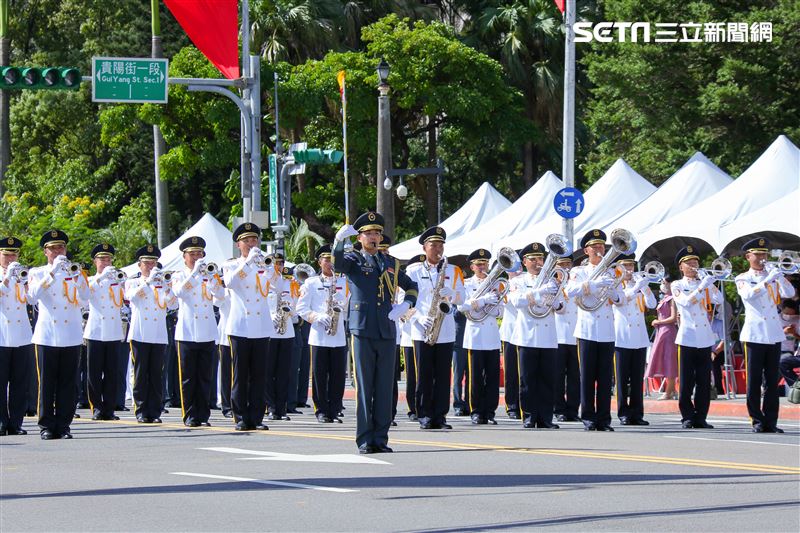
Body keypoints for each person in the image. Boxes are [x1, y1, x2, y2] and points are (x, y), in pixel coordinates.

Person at [333, 212, 417, 454]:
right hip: (362, 328)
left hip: (386, 329)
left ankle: (381, 438)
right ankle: (364, 439)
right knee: (365, 386)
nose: (373, 237)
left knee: (384, 387)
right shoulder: (353, 259)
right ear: (359, 238)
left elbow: (412, 286)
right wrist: (338, 241)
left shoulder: (391, 263)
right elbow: (338, 265)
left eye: (377, 233)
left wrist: (407, 304)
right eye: (368, 233)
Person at [28, 230, 90, 439]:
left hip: (71, 334)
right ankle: (46, 425)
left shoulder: (75, 272)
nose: (57, 252)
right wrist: (53, 273)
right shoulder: (38, 273)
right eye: (53, 249)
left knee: (68, 384)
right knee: (46, 384)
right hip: (47, 335)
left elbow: (85, 298)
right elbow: (32, 297)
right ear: (45, 252)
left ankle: (64, 425)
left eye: (61, 248)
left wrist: (77, 277)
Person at [405, 226, 466, 430]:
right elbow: (403, 300)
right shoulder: (413, 271)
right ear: (424, 247)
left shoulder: (453, 270)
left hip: (445, 329)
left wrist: (453, 294)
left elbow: (463, 298)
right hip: (422, 329)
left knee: (442, 375)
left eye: (441, 245)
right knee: (423, 374)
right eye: (434, 245)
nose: (438, 249)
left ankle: (440, 416)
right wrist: (418, 318)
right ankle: (424, 414)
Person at [735, 237, 796, 433]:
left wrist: (780, 277)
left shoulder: (772, 275)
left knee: (771, 380)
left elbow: (790, 293)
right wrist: (768, 279)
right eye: (758, 254)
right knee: (754, 380)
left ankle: (771, 421)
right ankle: (757, 420)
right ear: (748, 256)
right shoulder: (743, 278)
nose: (762, 257)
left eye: (764, 254)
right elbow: (749, 295)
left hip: (773, 333)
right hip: (754, 334)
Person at [565, 229, 623, 431]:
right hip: (587, 329)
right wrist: (593, 284)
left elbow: (621, 300)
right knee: (587, 377)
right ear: (586, 250)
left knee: (606, 378)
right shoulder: (579, 271)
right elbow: (570, 291)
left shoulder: (612, 272)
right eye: (595, 246)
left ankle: (604, 419)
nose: (599, 249)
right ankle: (589, 417)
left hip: (606, 330)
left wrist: (613, 291)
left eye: (602, 246)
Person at [221, 223, 275, 431]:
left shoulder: (263, 264)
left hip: (261, 326)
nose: (252, 244)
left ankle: (257, 417)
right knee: (240, 374)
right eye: (247, 241)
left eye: (254, 240)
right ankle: (241, 416)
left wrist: (269, 268)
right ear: (239, 245)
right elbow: (230, 283)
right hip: (240, 326)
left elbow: (278, 286)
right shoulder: (231, 265)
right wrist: (248, 263)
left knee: (259, 374)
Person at [171, 236, 224, 427]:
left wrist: (212, 280)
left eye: (199, 254)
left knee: (205, 376)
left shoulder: (208, 275)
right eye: (192, 254)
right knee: (188, 377)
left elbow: (220, 296)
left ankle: (203, 415)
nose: (196, 257)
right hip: (187, 332)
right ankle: (190, 415)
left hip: (207, 331)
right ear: (184, 257)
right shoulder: (179, 275)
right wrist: (194, 274)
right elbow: (179, 292)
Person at [509, 243, 560, 429]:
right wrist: (540, 292)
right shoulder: (518, 281)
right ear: (524, 261)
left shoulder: (551, 280)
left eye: (540, 258)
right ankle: (529, 417)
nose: (538, 262)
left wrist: (555, 302)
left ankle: (546, 418)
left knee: (547, 379)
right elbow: (517, 301)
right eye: (533, 259)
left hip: (547, 335)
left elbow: (561, 307)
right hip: (527, 335)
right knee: (528, 379)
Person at [297, 245, 349, 423]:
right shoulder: (311, 283)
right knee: (319, 375)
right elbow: (301, 308)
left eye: (332, 259)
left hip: (338, 334)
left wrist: (341, 305)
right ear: (319, 262)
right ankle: (321, 410)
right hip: (319, 335)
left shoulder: (344, 282)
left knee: (338, 375)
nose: (330, 263)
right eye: (326, 259)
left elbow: (350, 306)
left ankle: (335, 409)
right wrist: (317, 317)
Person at [672, 246, 722, 429]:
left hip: (704, 337)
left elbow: (720, 300)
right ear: (681, 267)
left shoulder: (704, 284)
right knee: (686, 380)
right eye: (689, 263)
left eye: (695, 262)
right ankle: (687, 416)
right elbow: (685, 302)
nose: (693, 265)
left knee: (703, 380)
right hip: (687, 337)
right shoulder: (677, 284)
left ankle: (701, 417)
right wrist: (702, 286)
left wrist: (711, 284)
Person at [125, 245, 176, 423]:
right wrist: (148, 282)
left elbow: (173, 305)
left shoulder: (161, 283)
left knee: (156, 374)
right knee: (140, 373)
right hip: (140, 333)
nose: (150, 266)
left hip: (158, 334)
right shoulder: (133, 282)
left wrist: (167, 288)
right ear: (139, 265)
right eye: (147, 263)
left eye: (153, 263)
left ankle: (154, 411)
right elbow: (132, 297)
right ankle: (141, 410)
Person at [458, 248, 503, 425]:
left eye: (485, 264)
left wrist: (493, 306)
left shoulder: (496, 284)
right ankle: (476, 411)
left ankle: (490, 411)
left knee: (492, 377)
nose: (482, 267)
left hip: (491, 335)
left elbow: (501, 311)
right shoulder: (467, 284)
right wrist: (483, 301)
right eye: (479, 264)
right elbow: (461, 306)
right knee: (475, 377)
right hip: (475, 335)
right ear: (472, 267)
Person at [612, 255, 657, 425]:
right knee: (622, 379)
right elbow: (620, 301)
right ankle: (623, 413)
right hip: (622, 337)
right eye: (625, 266)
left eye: (631, 266)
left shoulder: (639, 285)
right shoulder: (615, 285)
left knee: (638, 379)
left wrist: (645, 288)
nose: (629, 270)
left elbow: (652, 304)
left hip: (639, 336)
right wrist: (637, 287)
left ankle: (637, 413)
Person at [83, 243, 125, 422]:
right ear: (95, 262)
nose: (106, 262)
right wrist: (102, 278)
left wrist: (118, 281)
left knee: (112, 373)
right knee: (94, 373)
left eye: (108, 259)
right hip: (96, 331)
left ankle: (109, 408)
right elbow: (86, 294)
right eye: (102, 259)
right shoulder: (91, 280)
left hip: (113, 331)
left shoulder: (117, 281)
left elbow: (126, 297)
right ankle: (97, 408)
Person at [0, 237, 32, 436]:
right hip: (1, 335)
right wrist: (6, 279)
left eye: (14, 255)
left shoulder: (23, 275)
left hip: (21, 335)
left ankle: (16, 423)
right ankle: (1, 422)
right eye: (7, 255)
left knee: (20, 383)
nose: (11, 259)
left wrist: (25, 282)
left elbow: (32, 299)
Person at [266, 264, 297, 421]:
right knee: (268, 371)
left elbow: (296, 307)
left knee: (284, 373)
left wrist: (289, 310)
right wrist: (270, 316)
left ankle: (281, 408)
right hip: (269, 331)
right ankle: (271, 407)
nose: (278, 267)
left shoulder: (290, 283)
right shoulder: (263, 282)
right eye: (275, 264)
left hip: (286, 332)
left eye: (280, 264)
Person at [553, 254, 580, 422]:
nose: (565, 268)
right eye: (561, 265)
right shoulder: (551, 285)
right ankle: (559, 409)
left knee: (575, 377)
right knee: (557, 376)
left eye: (568, 264)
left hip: (576, 334)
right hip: (558, 335)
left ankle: (573, 410)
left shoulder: (576, 283)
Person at [646, 276, 679, 400]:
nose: (663, 285)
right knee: (664, 359)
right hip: (662, 332)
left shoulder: (672, 299)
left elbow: (673, 318)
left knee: (669, 360)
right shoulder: (664, 298)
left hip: (668, 331)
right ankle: (672, 390)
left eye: (665, 283)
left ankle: (669, 391)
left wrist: (659, 322)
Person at [499, 259, 522, 419]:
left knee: (526, 372)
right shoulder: (502, 285)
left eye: (518, 266)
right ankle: (512, 406)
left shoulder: (527, 282)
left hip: (526, 333)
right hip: (509, 332)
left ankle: (525, 404)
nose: (517, 270)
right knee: (511, 372)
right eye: (513, 267)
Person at [778, 301, 799, 386]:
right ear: (782, 309)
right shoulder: (776, 319)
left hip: (787, 351)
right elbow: (769, 336)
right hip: (774, 349)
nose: (789, 316)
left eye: (791, 314)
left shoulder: (797, 320)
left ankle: (796, 386)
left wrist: (794, 334)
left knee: (782, 362)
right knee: (775, 366)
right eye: (787, 313)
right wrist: (783, 332)